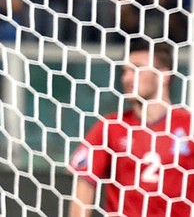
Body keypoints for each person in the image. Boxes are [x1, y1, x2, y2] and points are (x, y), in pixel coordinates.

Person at [68, 39, 194, 216]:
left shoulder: (189, 125)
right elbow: (83, 187)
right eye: (125, 71)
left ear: (164, 75)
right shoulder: (111, 127)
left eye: (136, 69)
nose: (126, 78)